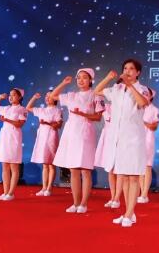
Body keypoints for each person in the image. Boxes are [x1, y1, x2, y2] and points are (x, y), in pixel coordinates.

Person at [95, 59, 150, 227]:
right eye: (125, 68)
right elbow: (97, 91)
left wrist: (130, 85)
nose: (127, 71)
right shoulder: (116, 89)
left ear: (138, 72)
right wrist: (108, 78)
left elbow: (143, 102)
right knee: (124, 177)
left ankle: (129, 214)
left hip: (133, 139)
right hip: (118, 140)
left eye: (131, 69)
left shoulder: (142, 89)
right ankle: (129, 213)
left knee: (133, 177)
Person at [51, 69, 103, 213]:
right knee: (73, 170)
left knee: (85, 170)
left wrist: (83, 114)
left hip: (85, 133)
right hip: (71, 133)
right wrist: (63, 83)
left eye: (84, 77)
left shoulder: (95, 95)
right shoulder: (71, 95)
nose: (81, 80)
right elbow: (53, 96)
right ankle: (75, 203)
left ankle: (83, 204)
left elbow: (98, 117)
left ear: (91, 80)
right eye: (78, 78)